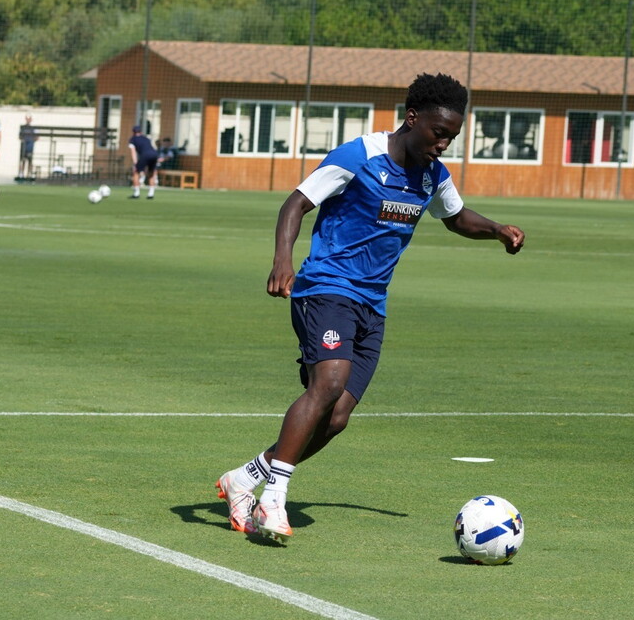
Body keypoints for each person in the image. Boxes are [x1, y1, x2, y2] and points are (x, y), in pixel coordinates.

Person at [215, 73, 525, 541]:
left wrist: (498, 229)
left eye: (453, 137)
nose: (444, 144)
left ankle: (248, 477)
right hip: (325, 288)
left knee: (336, 417)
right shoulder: (359, 155)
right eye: (439, 132)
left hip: (372, 305)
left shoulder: (433, 176)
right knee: (329, 382)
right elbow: (297, 203)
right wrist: (283, 259)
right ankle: (274, 499)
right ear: (412, 117)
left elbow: (456, 216)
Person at [129, 124, 158, 200]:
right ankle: (151, 194)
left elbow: (133, 152)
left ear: (133, 132)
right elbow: (152, 147)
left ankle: (136, 193)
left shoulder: (133, 139)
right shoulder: (146, 138)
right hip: (154, 154)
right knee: (151, 173)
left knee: (136, 172)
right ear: (141, 132)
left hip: (145, 155)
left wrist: (135, 163)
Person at [18, 114, 38, 180]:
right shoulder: (23, 128)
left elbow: (37, 137)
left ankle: (29, 174)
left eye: (29, 119)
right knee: (23, 160)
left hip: (30, 147)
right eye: (27, 118)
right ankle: (21, 174)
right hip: (24, 146)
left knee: (30, 161)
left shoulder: (33, 128)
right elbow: (20, 136)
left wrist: (31, 140)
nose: (28, 120)